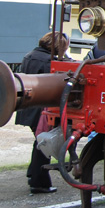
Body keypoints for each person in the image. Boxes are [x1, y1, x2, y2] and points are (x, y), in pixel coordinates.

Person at [14, 31, 69, 194]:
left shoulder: (30, 55)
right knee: (43, 145)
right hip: (42, 109)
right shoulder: (50, 61)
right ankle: (40, 182)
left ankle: (33, 174)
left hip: (28, 106)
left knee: (39, 142)